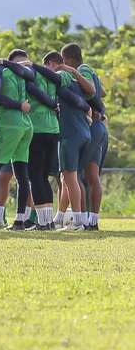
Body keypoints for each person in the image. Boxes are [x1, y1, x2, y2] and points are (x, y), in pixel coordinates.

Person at [25, 52, 89, 230]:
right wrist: (91, 109)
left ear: (50, 64)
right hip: (60, 131)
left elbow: (49, 88)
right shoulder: (66, 76)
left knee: (60, 177)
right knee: (56, 177)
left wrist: (32, 66)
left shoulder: (52, 74)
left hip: (53, 131)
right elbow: (83, 96)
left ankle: (72, 221)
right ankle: (54, 220)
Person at [0, 51, 36, 231]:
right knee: (22, 174)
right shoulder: (23, 73)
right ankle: (20, 220)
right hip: (26, 125)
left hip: (8, 125)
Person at [51, 43, 100, 231]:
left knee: (71, 177)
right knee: (67, 176)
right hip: (83, 131)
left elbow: (94, 92)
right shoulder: (77, 79)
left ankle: (78, 221)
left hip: (71, 133)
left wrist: (67, 70)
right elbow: (99, 92)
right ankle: (60, 217)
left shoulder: (70, 74)